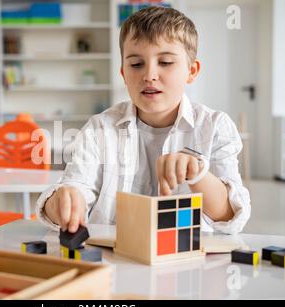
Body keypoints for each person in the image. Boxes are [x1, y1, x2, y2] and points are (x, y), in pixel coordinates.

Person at [35, 6, 251, 235]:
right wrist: (59, 203)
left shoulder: (215, 126)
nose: (149, 75)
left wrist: (198, 174)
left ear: (192, 71)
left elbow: (231, 216)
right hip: (114, 260)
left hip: (188, 262)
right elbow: (74, 188)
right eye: (136, 64)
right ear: (124, 74)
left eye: (166, 62)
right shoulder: (100, 128)